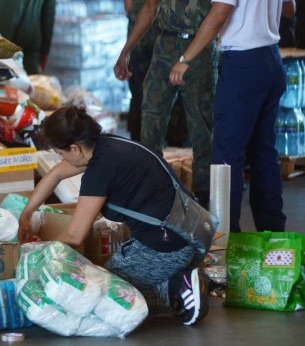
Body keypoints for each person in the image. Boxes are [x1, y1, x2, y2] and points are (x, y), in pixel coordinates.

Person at [18, 105, 208, 326]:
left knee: (91, 297)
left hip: (167, 248)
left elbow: (74, 236)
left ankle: (176, 289)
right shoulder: (108, 146)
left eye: (61, 154)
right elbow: (56, 174)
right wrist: (26, 215)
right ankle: (181, 279)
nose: (62, 160)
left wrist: (34, 256)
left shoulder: (99, 171)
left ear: (75, 148)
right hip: (192, 233)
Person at [169, 0, 294, 233]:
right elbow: (289, 9)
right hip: (271, 60)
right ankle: (272, 231)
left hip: (243, 65)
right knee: (264, 151)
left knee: (226, 155)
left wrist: (186, 58)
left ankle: (226, 237)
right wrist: (260, 10)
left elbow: (219, 14)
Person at [114, 0, 226, 209]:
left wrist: (193, 56)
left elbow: (223, 17)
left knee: (201, 130)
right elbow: (149, 7)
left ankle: (205, 204)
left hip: (200, 52)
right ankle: (154, 196)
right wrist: (126, 50)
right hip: (164, 45)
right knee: (150, 122)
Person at [123, 0, 179, 141]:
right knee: (173, 95)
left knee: (139, 94)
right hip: (171, 39)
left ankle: (139, 146)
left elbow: (128, 5)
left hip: (139, 39)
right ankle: (176, 152)